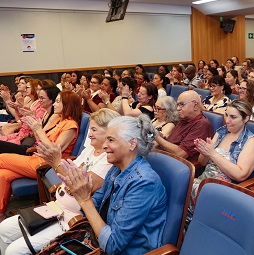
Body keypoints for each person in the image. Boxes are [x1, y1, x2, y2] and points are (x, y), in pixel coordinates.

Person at [0, 108, 120, 255]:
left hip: (73, 220)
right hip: (56, 208)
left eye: (94, 130)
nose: (89, 134)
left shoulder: (109, 159)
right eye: (90, 128)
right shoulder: (91, 148)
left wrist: (56, 162)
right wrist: (55, 161)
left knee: (14, 251)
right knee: (3, 228)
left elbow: (81, 186)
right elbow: (69, 172)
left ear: (110, 132)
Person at [56, 115, 167, 254]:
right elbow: (92, 207)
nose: (104, 145)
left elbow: (113, 245)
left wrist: (85, 200)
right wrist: (84, 191)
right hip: (97, 240)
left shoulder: (144, 183)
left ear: (132, 144)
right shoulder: (116, 169)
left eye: (111, 140)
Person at [0, 91, 82, 222]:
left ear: (68, 104)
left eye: (58, 101)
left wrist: (38, 130)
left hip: (46, 165)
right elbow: (40, 141)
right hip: (36, 158)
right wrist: (35, 128)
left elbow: (52, 152)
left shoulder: (70, 126)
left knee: (1, 158)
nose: (55, 103)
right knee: (3, 174)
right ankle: (1, 214)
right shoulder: (59, 121)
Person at [191, 100, 254, 203]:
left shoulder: (251, 141)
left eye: (233, 117)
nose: (227, 121)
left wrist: (213, 154)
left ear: (246, 118)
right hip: (204, 181)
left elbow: (240, 175)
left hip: (224, 190)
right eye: (226, 115)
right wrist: (205, 152)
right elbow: (202, 163)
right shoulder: (222, 132)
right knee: (180, 184)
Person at [155, 90, 214, 162]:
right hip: (166, 157)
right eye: (178, 105)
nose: (178, 108)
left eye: (182, 104)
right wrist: (163, 138)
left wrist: (157, 137)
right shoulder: (184, 119)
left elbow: (180, 154)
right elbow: (175, 141)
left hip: (179, 165)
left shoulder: (202, 124)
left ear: (195, 105)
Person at [0, 85, 59, 152]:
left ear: (52, 100)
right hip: (29, 140)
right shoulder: (44, 110)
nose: (39, 100)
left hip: (32, 145)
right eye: (39, 97)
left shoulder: (54, 115)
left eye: (42, 98)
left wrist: (31, 116)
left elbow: (40, 134)